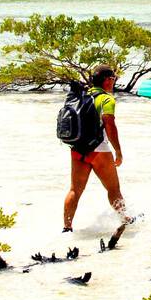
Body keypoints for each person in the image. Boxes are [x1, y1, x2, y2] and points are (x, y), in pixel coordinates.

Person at [62, 64, 134, 235]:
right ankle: (126, 219)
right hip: (99, 149)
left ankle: (67, 228)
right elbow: (109, 123)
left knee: (75, 190)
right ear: (107, 80)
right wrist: (118, 151)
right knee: (113, 189)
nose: (114, 82)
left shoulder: (81, 95)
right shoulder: (107, 99)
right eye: (113, 79)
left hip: (77, 148)